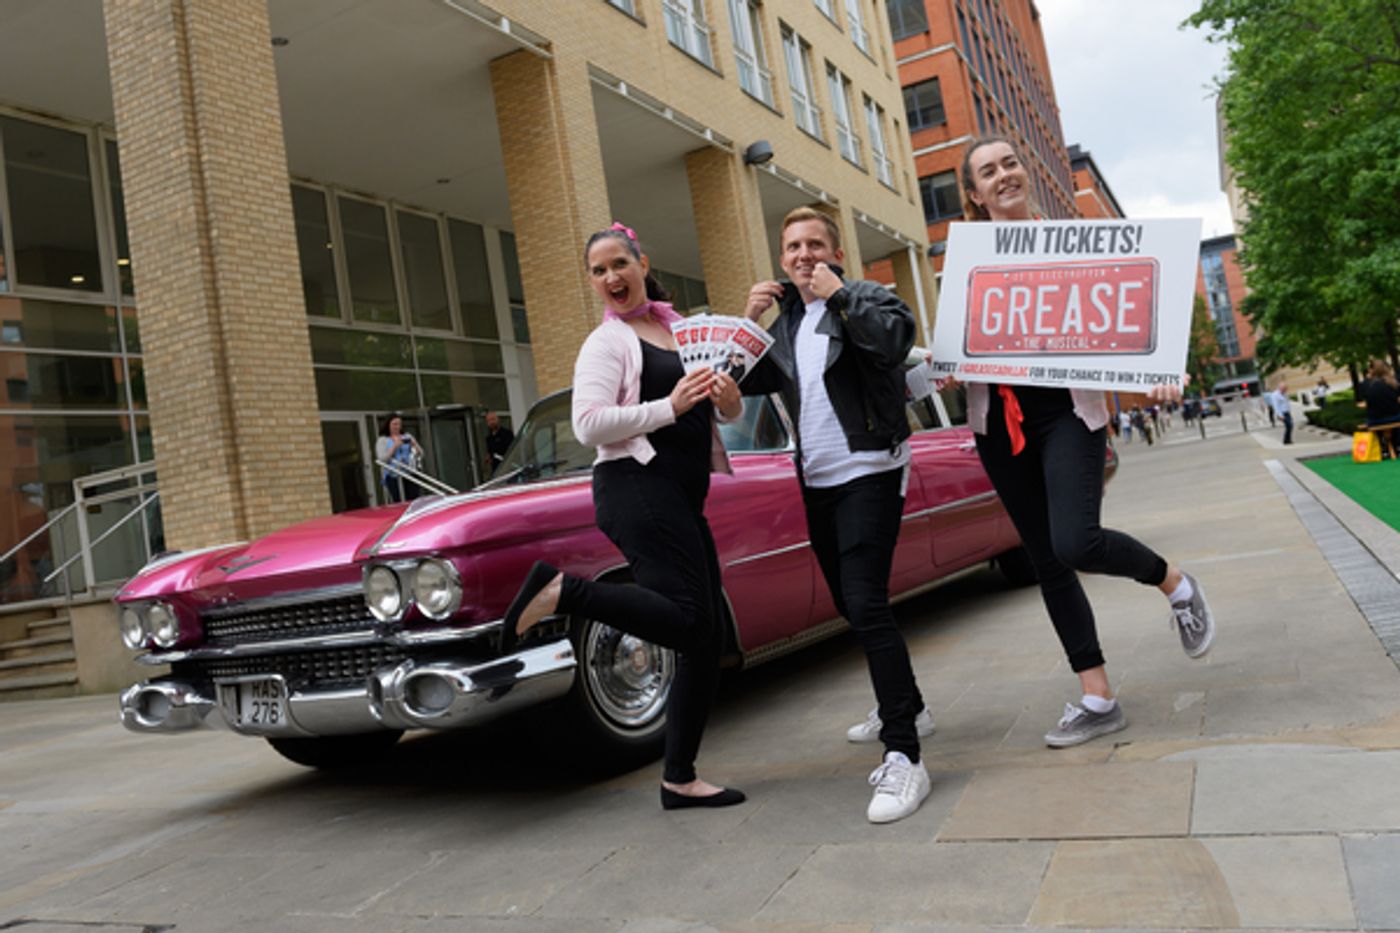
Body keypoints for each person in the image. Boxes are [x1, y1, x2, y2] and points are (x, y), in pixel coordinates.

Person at [950, 135, 1216, 749]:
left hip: (1068, 415)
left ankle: (1174, 582)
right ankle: (1098, 698)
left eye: (1010, 163)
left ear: (1026, 172)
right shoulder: (966, 262)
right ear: (975, 193)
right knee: (1047, 562)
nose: (1003, 175)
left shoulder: (1077, 244)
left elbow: (1127, 313)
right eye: (988, 171)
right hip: (999, 425)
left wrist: (1159, 369)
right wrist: (948, 366)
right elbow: (962, 341)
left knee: (1076, 541)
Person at [501, 222, 745, 811]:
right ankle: (565, 592)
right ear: (593, 282)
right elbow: (588, 424)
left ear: (643, 264)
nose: (611, 276)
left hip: (680, 495)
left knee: (705, 636)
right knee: (690, 622)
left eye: (619, 264)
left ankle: (679, 778)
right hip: (635, 487)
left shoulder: (680, 329)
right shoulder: (605, 343)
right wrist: (669, 406)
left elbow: (723, 410)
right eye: (599, 270)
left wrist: (729, 400)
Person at [740, 206, 935, 824]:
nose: (803, 255)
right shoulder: (788, 321)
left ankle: (905, 754)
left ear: (836, 253)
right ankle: (908, 703)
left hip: (871, 468)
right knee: (852, 603)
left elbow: (893, 343)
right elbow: (740, 381)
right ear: (782, 258)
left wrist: (841, 295)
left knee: (867, 603)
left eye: (814, 244)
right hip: (818, 479)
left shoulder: (867, 296)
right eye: (793, 247)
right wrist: (746, 323)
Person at [376, 414, 423, 503]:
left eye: (399, 424)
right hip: (393, 475)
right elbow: (382, 459)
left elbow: (420, 453)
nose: (397, 427)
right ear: (388, 425)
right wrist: (395, 446)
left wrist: (414, 444)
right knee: (398, 500)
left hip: (409, 473)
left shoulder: (407, 436)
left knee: (414, 499)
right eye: (394, 424)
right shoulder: (382, 440)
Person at [1358, 362, 1400, 459]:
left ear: (1371, 370)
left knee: (1374, 419)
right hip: (1395, 417)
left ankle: (1383, 446)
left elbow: (1365, 402)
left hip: (1375, 420)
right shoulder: (1394, 382)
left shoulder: (1366, 384)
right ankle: (1397, 445)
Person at [483, 411, 515, 477]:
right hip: (496, 470)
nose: (491, 422)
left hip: (508, 467)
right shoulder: (489, 438)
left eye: (493, 419)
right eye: (489, 421)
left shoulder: (507, 433)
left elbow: (512, 450)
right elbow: (490, 453)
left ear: (498, 419)